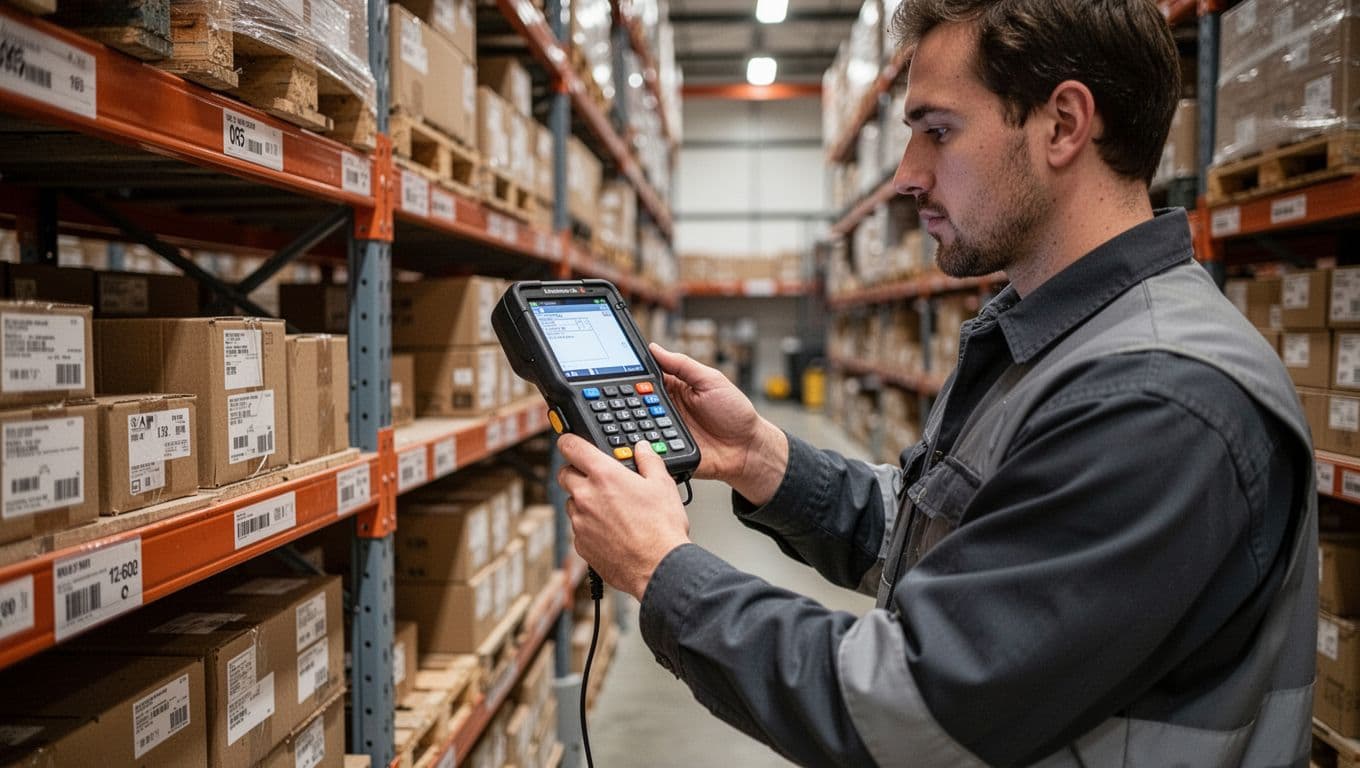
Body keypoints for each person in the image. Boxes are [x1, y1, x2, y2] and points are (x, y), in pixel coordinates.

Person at [555, 1, 1318, 765]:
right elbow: (968, 546)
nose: (905, 176)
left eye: (938, 131)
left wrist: (662, 570)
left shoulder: (1156, 400)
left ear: (1063, 125)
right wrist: (763, 460)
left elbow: (910, 709)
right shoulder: (1055, 340)